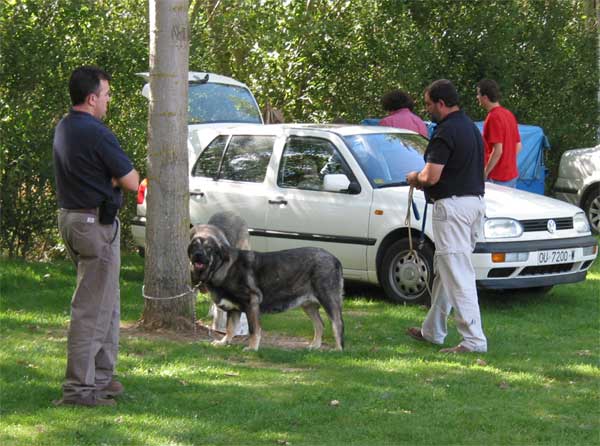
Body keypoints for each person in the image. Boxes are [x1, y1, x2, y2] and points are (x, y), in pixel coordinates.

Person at [52, 66, 139, 406]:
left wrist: (109, 179)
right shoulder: (97, 132)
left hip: (72, 220)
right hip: (94, 226)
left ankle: (102, 378)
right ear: (91, 99)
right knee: (91, 310)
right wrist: (115, 179)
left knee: (108, 303)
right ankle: (79, 391)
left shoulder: (65, 127)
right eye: (106, 95)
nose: (108, 100)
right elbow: (132, 180)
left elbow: (89, 174)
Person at [405, 79, 487, 354]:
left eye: (428, 104)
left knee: (458, 274)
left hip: (451, 208)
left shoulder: (446, 131)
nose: (427, 109)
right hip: (474, 204)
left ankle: (474, 341)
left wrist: (414, 178)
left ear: (441, 103)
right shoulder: (471, 129)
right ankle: (432, 331)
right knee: (445, 271)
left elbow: (431, 176)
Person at [476, 79, 522, 187]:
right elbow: (518, 146)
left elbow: (498, 150)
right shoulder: (509, 114)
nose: (477, 97)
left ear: (485, 97)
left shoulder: (493, 117)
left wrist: (485, 173)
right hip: (511, 176)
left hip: (496, 179)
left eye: (478, 94)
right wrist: (507, 162)